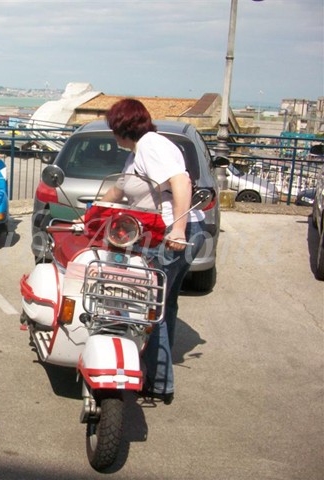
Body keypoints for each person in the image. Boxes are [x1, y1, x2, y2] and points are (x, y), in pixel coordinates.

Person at [102, 98, 206, 404]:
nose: (112, 133)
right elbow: (118, 190)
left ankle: (158, 382)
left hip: (173, 233)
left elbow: (181, 181)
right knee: (165, 303)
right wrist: (90, 214)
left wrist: (178, 229)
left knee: (148, 305)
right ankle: (161, 368)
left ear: (122, 127)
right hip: (173, 232)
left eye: (113, 127)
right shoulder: (136, 154)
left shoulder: (151, 145)